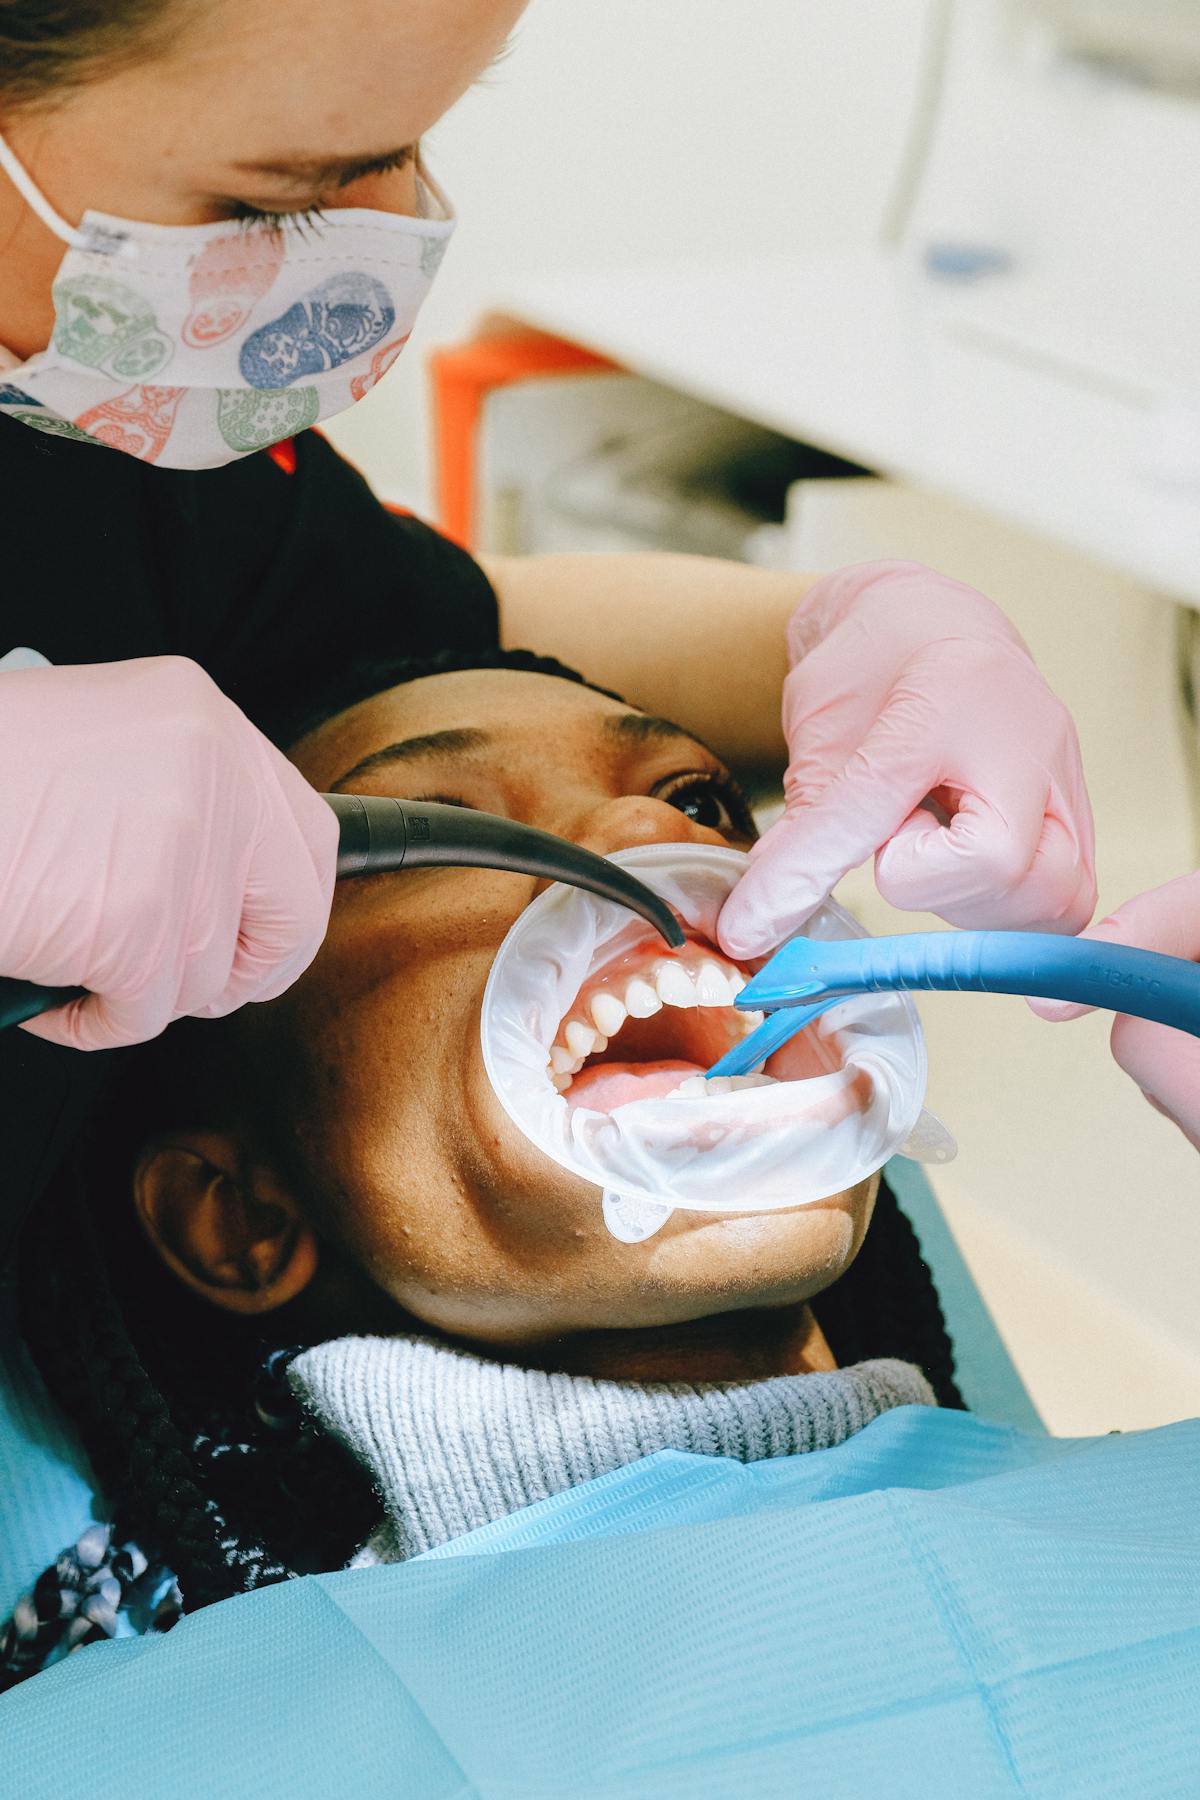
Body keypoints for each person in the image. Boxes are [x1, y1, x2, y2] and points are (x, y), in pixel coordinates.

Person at [0, 0, 1095, 1251]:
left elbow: (444, 632)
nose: (386, 244)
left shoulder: (106, 463)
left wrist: (854, 637)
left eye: (419, 143)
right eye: (272, 205)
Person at [2, 647, 961, 1686]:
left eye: (699, 799)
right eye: (428, 835)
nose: (651, 829)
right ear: (242, 1218)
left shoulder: (1100, 1537)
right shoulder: (150, 1708)